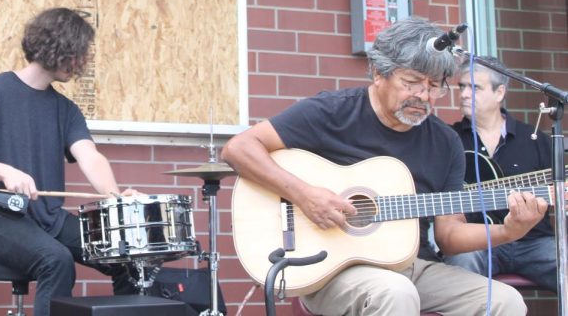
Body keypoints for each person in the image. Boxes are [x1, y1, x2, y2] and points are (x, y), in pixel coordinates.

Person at [221, 17, 548, 315]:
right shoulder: (332, 112)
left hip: (410, 265)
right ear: (379, 73)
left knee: (505, 301)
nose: (424, 95)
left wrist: (509, 231)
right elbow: (239, 148)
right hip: (331, 271)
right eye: (412, 82)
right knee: (395, 293)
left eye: (435, 86)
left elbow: (448, 235)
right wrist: (306, 195)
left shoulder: (445, 141)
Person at [0, 7, 136, 316]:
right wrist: (4, 171)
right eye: (79, 54)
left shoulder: (65, 109)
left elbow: (90, 156)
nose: (82, 63)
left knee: (126, 257)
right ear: (59, 49)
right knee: (56, 260)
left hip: (47, 217)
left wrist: (115, 199)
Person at [444, 56, 556, 292]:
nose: (464, 94)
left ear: (499, 92)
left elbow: (558, 188)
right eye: (461, 86)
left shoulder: (534, 140)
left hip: (533, 241)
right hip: (477, 242)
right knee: (459, 266)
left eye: (474, 87)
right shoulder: (448, 140)